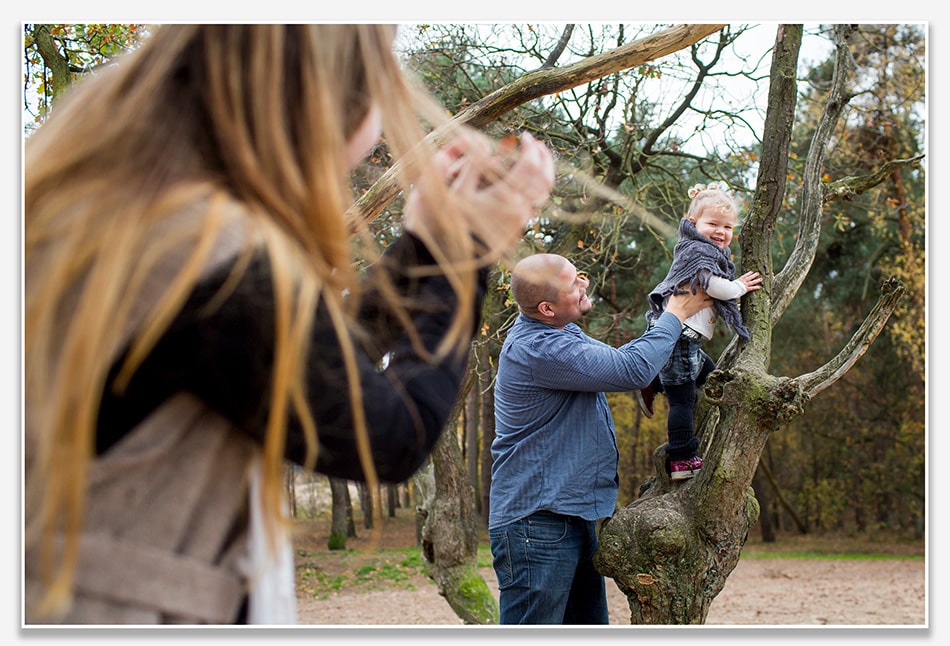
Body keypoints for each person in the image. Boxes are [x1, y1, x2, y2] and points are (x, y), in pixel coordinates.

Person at [24, 24, 555, 624]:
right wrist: (464, 251)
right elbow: (389, 436)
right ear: (330, 102)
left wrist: (425, 249)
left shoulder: (122, 208)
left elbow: (299, 354)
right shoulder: (205, 244)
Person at [488, 252, 710, 624]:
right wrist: (675, 314)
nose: (584, 284)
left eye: (581, 276)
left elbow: (624, 364)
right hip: (536, 526)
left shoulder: (561, 332)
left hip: (568, 518)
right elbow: (631, 369)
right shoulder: (539, 349)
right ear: (546, 308)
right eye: (574, 283)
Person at [637, 183, 762, 480]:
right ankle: (681, 458)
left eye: (728, 226)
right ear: (693, 224)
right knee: (683, 400)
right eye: (713, 224)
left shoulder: (706, 252)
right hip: (680, 337)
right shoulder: (697, 252)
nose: (721, 231)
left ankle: (653, 379)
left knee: (712, 377)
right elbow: (713, 286)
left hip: (685, 340)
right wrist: (740, 287)